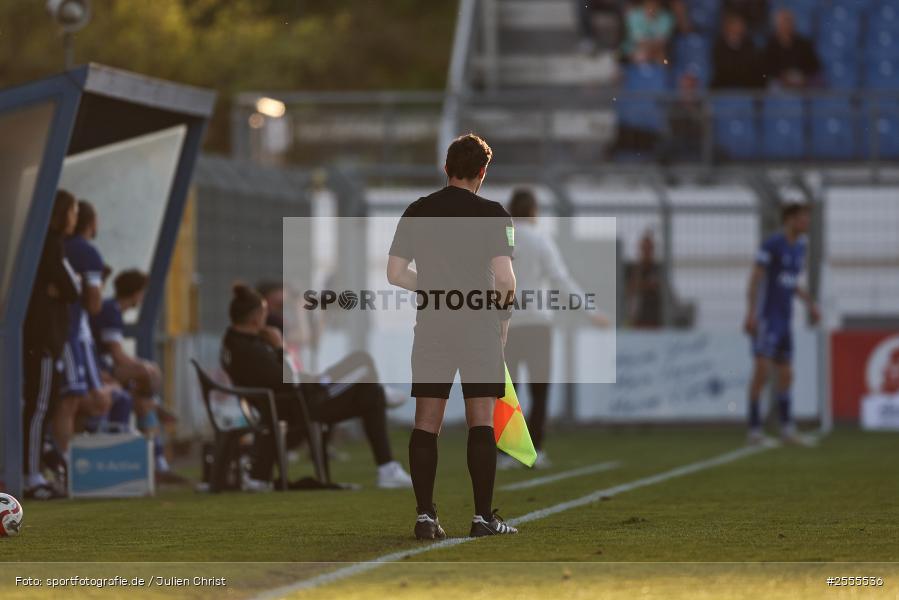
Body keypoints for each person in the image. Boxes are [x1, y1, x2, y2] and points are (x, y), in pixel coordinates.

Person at [387, 133, 518, 539]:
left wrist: (431, 289)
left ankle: (425, 516)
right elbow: (505, 280)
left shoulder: (417, 210)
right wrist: (502, 326)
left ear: (446, 169)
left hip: (433, 326)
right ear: (482, 172)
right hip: (478, 325)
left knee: (426, 422)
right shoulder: (496, 214)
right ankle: (482, 519)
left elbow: (393, 273)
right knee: (481, 420)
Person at [220, 284, 412, 491]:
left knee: (363, 368)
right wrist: (279, 346)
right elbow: (290, 380)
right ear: (256, 317)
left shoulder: (234, 343)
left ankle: (388, 467)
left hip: (296, 398)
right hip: (302, 405)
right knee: (369, 387)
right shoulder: (252, 350)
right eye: (265, 313)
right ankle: (387, 467)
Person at [498, 189, 608, 470]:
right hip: (537, 324)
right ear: (534, 210)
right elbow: (561, 279)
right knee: (539, 391)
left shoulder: (501, 240)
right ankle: (534, 452)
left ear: (511, 209)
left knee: (507, 392)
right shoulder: (540, 240)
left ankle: (505, 453)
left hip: (506, 323)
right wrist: (591, 311)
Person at [91, 269, 186, 482]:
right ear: (136, 293)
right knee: (146, 373)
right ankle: (156, 406)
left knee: (143, 403)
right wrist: (146, 366)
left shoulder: (111, 309)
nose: (142, 297)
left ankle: (159, 462)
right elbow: (117, 355)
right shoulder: (110, 310)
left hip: (104, 369)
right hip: (98, 371)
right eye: (142, 292)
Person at [743, 203, 820, 445]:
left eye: (808, 218)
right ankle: (754, 431)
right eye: (802, 218)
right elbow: (755, 279)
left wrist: (810, 304)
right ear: (789, 219)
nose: (806, 222)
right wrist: (750, 313)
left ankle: (787, 429)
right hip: (767, 318)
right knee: (762, 372)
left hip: (785, 320)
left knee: (787, 374)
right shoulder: (772, 245)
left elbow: (790, 281)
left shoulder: (800, 247)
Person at [22, 191, 80, 500]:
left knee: (42, 406)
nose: (75, 218)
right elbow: (72, 287)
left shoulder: (51, 244)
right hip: (43, 340)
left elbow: (69, 289)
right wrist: (58, 290)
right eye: (72, 212)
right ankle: (30, 476)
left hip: (48, 341)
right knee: (38, 407)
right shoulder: (50, 243)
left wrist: (62, 289)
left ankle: (34, 470)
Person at [55, 200, 113, 460]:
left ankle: (70, 455)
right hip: (70, 334)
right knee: (72, 400)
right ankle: (64, 459)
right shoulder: (87, 253)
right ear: (91, 222)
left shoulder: (60, 248)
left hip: (73, 334)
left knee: (80, 399)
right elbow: (93, 304)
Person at [764, 8, 821, 89]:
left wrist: (803, 77)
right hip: (779, 83)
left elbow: (813, 66)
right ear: (777, 25)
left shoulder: (804, 44)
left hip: (801, 83)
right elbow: (767, 69)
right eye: (783, 22)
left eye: (788, 21)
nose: (786, 25)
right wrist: (782, 76)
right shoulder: (770, 45)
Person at [711, 11, 765, 90]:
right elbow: (721, 67)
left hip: (746, 83)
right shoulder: (719, 46)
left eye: (740, 25)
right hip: (725, 82)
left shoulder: (749, 45)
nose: (738, 28)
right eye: (736, 25)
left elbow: (752, 65)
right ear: (729, 27)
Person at [627, 231, 664, 328]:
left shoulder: (658, 269)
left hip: (656, 320)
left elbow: (663, 290)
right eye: (644, 248)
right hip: (638, 321)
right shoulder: (635, 270)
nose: (647, 251)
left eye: (649, 248)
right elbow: (630, 290)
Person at [622, 0, 674, 64]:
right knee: (641, 55)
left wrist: (653, 49)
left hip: (658, 50)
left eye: (655, 3)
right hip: (634, 49)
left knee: (664, 60)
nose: (652, 5)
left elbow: (662, 42)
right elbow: (637, 41)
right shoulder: (634, 14)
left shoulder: (666, 17)